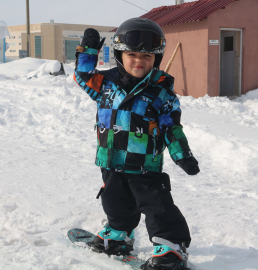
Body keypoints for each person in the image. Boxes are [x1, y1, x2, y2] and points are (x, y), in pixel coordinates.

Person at [73, 18, 200, 270]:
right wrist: (88, 51)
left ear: (157, 60)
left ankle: (171, 246)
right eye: (131, 54)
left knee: (157, 206)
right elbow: (82, 75)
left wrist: (181, 154)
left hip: (145, 165)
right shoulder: (105, 86)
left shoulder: (161, 93)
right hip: (110, 160)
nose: (139, 60)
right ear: (120, 55)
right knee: (114, 201)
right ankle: (119, 234)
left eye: (147, 56)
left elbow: (171, 127)